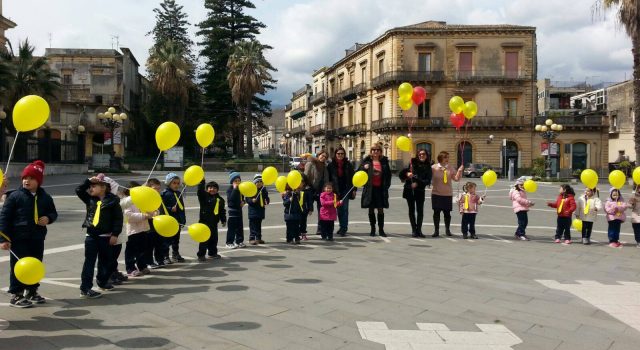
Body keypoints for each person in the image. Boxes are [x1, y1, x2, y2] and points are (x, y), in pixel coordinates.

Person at [0, 160, 57, 308]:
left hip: (37, 238)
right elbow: (4, 218)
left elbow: (53, 213)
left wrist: (48, 218)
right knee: (19, 266)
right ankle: (16, 294)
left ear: (38, 181)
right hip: (18, 239)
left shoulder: (45, 197)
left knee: (35, 264)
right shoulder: (14, 196)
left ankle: (31, 290)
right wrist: (3, 239)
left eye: (31, 178)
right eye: (25, 178)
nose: (27, 180)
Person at [76, 173, 123, 298]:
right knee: (89, 262)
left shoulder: (113, 201)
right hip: (91, 236)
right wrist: (88, 181)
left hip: (105, 236)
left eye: (93, 186)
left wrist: (115, 234)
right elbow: (79, 190)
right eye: (90, 186)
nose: (90, 188)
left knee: (104, 261)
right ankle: (85, 288)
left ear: (103, 187)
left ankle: (102, 282)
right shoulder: (90, 199)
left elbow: (118, 219)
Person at [122, 181, 156, 276]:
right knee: (131, 251)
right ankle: (130, 268)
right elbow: (128, 216)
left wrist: (153, 212)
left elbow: (149, 209)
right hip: (132, 231)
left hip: (143, 229)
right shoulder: (127, 202)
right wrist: (144, 216)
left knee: (142, 249)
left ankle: (142, 266)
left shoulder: (141, 200)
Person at [360, 144, 392, 237]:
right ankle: (373, 229)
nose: (375, 151)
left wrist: (386, 186)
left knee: (380, 209)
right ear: (371, 151)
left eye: (378, 150)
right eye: (373, 150)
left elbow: (388, 175)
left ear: (380, 152)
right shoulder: (366, 161)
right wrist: (363, 167)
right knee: (371, 209)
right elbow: (359, 171)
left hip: (381, 189)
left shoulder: (384, 162)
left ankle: (381, 229)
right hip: (370, 189)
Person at [399, 149, 432, 237]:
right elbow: (401, 174)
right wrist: (407, 174)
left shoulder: (428, 166)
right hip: (409, 190)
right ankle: (414, 230)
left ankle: (419, 230)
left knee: (420, 211)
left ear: (426, 155)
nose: (422, 155)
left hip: (420, 191)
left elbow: (428, 180)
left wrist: (417, 183)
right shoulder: (412, 163)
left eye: (424, 154)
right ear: (417, 155)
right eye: (420, 154)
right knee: (411, 210)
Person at [430, 151, 463, 237]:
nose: (447, 159)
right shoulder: (433, 168)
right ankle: (436, 231)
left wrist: (459, 171)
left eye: (448, 157)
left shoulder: (450, 168)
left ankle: (447, 230)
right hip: (436, 193)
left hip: (447, 194)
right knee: (436, 213)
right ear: (440, 158)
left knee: (447, 213)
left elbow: (456, 179)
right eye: (445, 157)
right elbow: (428, 176)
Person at [327, 147, 356, 236]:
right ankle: (341, 226)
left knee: (345, 209)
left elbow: (353, 178)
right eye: (338, 154)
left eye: (342, 154)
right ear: (335, 154)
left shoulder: (348, 165)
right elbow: (328, 178)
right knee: (339, 209)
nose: (340, 155)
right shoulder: (331, 165)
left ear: (344, 155)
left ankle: (344, 228)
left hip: (346, 190)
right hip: (335, 190)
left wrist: (354, 189)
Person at [196, 179, 226, 261]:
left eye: (214, 188)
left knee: (214, 239)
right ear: (206, 189)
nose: (212, 189)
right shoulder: (204, 197)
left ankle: (212, 253)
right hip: (204, 222)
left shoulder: (220, 200)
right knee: (204, 239)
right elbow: (200, 191)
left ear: (217, 189)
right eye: (210, 188)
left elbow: (222, 211)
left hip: (214, 223)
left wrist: (223, 219)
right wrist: (201, 182)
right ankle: (201, 255)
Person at [161, 173, 186, 263]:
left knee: (176, 239)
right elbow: (161, 207)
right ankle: (165, 256)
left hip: (177, 220)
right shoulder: (164, 194)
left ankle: (175, 254)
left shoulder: (179, 194)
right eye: (174, 183)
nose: (176, 185)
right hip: (168, 221)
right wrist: (170, 209)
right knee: (167, 240)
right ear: (168, 183)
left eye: (178, 183)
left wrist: (183, 219)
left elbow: (182, 207)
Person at [304, 150, 329, 234]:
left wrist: (325, 189)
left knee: (321, 210)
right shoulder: (310, 163)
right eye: (322, 155)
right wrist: (306, 187)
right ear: (318, 155)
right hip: (310, 189)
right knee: (307, 210)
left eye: (325, 157)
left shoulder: (324, 166)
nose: (323, 158)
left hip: (320, 190)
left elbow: (326, 179)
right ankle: (302, 229)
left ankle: (320, 229)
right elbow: (305, 176)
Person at [144, 178, 166, 268]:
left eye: (158, 188)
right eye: (154, 189)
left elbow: (163, 210)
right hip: (149, 226)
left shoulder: (159, 198)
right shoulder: (145, 199)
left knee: (159, 244)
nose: (157, 190)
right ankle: (149, 262)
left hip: (159, 226)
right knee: (149, 245)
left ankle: (160, 259)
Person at [247, 174, 270, 245]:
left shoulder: (263, 189)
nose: (259, 183)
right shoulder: (251, 189)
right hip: (253, 211)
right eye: (257, 182)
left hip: (260, 211)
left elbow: (266, 198)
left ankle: (258, 238)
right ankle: (252, 238)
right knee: (253, 225)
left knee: (258, 225)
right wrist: (251, 200)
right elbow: (247, 199)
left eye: (261, 181)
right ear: (254, 182)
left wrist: (267, 200)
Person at [226, 171, 245, 249]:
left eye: (239, 180)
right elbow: (231, 199)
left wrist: (244, 202)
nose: (237, 182)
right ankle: (229, 242)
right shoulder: (230, 190)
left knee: (240, 227)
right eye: (235, 181)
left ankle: (239, 241)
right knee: (232, 228)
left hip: (239, 210)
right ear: (232, 182)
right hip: (232, 211)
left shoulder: (241, 189)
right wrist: (234, 189)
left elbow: (243, 198)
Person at [298, 174, 314, 240]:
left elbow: (310, 200)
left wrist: (310, 209)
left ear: (304, 182)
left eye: (302, 181)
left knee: (303, 222)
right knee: (296, 222)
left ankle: (303, 234)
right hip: (296, 209)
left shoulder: (307, 190)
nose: (300, 183)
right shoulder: (294, 189)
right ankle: (297, 234)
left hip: (304, 209)